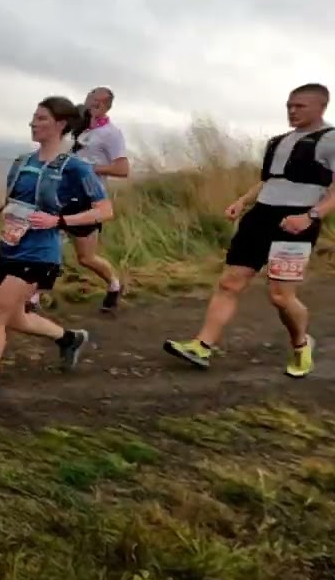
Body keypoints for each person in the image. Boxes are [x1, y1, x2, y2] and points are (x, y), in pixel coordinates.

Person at [0, 97, 104, 409]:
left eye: (41, 118)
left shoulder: (76, 168)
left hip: (41, 255)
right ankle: (70, 339)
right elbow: (18, 199)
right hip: (10, 248)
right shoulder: (22, 161)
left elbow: (103, 211)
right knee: (15, 318)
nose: (33, 123)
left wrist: (60, 220)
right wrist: (0, 207)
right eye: (33, 117)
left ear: (60, 125)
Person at [164, 83, 333, 378]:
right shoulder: (278, 141)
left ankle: (301, 343)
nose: (292, 111)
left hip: (295, 222)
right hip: (260, 217)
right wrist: (242, 201)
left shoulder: (331, 139)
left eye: (300, 106)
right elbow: (271, 180)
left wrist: (311, 215)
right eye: (289, 106)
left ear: (321, 106)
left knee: (280, 295)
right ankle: (202, 346)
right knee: (230, 282)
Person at [35, 86, 127, 313]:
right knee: (46, 243)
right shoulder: (80, 126)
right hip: (61, 194)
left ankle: (114, 285)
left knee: (85, 258)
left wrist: (88, 169)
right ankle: (34, 296)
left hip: (87, 200)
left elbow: (122, 169)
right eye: (87, 98)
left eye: (93, 101)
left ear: (103, 106)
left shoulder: (112, 134)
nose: (87, 103)